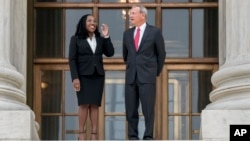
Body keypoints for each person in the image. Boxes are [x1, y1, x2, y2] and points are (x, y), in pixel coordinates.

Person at [122, 5, 166, 140]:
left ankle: (148, 136)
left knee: (148, 110)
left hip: (147, 77)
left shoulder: (154, 32)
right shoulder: (127, 34)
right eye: (130, 14)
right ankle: (133, 136)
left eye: (133, 13)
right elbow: (126, 55)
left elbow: (161, 55)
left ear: (143, 15)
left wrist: (154, 73)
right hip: (131, 77)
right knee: (131, 110)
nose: (130, 16)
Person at [68, 14, 114, 140]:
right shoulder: (76, 39)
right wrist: (75, 78)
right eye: (90, 21)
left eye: (94, 21)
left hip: (97, 75)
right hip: (82, 76)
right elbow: (72, 60)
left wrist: (106, 36)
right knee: (83, 104)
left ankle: (94, 134)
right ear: (84, 23)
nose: (93, 23)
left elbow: (110, 53)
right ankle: (81, 133)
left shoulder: (99, 39)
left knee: (94, 104)